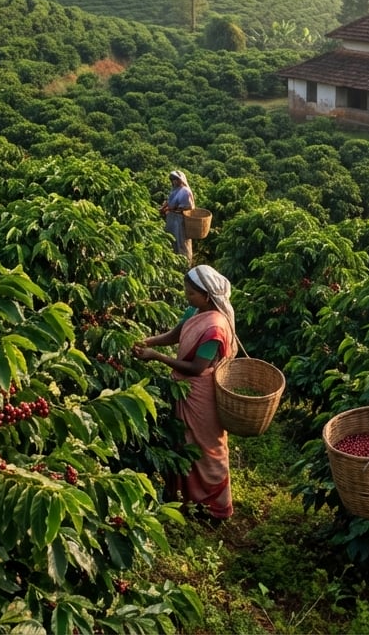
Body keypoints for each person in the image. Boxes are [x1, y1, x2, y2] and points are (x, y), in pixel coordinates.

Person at [133, 265, 237, 523]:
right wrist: (149, 341)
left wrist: (156, 357)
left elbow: (196, 367)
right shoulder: (196, 311)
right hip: (184, 388)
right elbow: (176, 334)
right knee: (184, 441)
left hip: (202, 392)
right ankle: (186, 500)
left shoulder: (215, 327)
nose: (186, 296)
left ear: (208, 296)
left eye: (191, 293)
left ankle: (216, 509)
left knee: (206, 446)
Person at [160, 169, 195, 261]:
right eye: (172, 180)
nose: (174, 181)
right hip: (171, 218)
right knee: (171, 238)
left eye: (175, 179)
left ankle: (184, 260)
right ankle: (172, 258)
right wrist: (163, 207)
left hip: (179, 219)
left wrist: (170, 209)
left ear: (181, 180)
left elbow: (186, 206)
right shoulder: (175, 189)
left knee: (181, 240)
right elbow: (169, 200)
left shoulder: (185, 191)